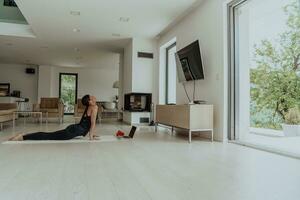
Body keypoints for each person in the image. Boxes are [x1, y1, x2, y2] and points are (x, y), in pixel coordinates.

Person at [9, 95, 99, 141]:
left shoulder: (90, 107)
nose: (94, 97)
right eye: (91, 97)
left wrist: (91, 133)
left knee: (50, 134)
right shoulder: (94, 107)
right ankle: (23, 137)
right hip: (75, 130)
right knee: (49, 136)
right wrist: (90, 136)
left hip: (74, 128)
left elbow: (87, 123)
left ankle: (24, 135)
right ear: (90, 102)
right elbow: (92, 123)